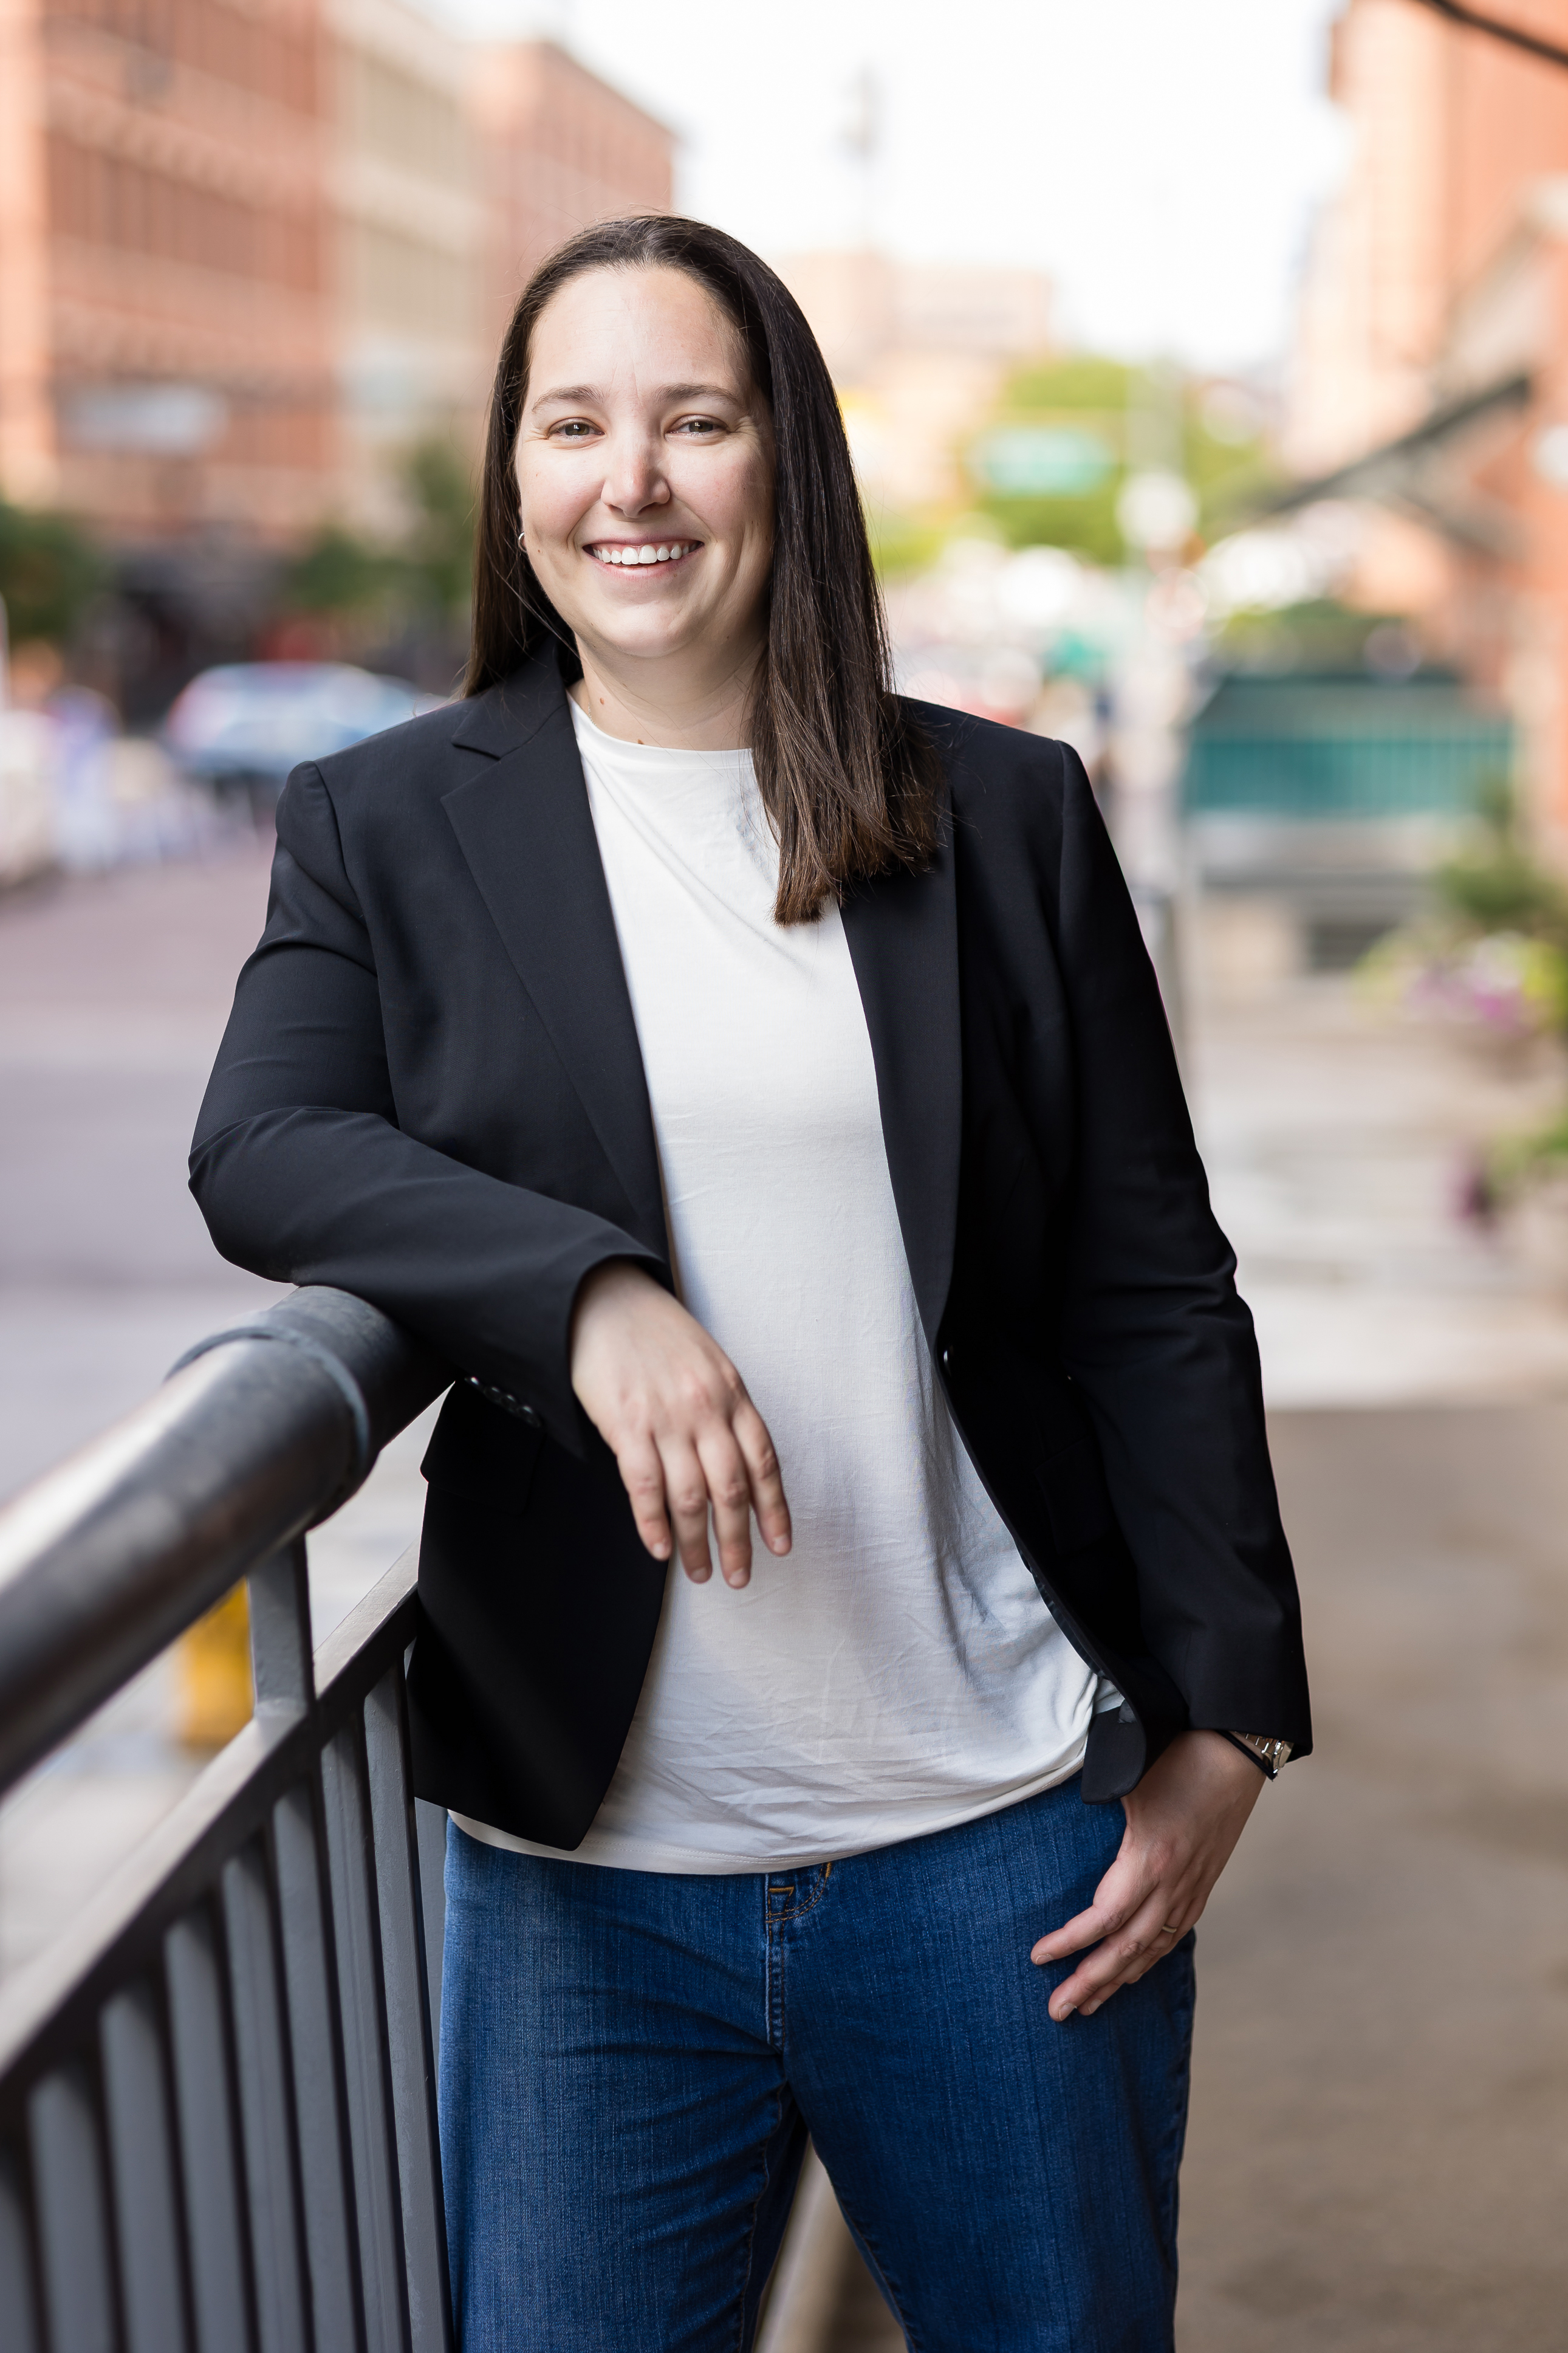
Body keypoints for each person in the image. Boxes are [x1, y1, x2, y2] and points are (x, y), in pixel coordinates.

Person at [191, 214, 1311, 2352]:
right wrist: (587, 1293)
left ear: (781, 459)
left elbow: (1154, 1284)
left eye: (693, 420)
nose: (633, 480)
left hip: (998, 1849)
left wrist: (1233, 1711)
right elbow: (264, 1146)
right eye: (574, 423)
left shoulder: (999, 812)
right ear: (514, 482)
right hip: (588, 1888)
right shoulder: (388, 822)